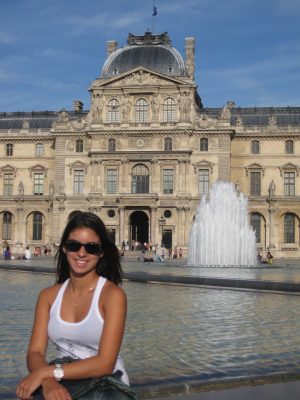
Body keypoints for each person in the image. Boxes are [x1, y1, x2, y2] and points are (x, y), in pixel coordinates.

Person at [16, 212, 136, 400]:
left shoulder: (112, 296)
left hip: (105, 385)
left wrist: (46, 373)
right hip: (63, 380)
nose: (81, 253)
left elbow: (105, 363)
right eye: (74, 245)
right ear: (64, 247)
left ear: (102, 252)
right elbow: (35, 352)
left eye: (91, 248)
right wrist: (48, 381)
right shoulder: (47, 296)